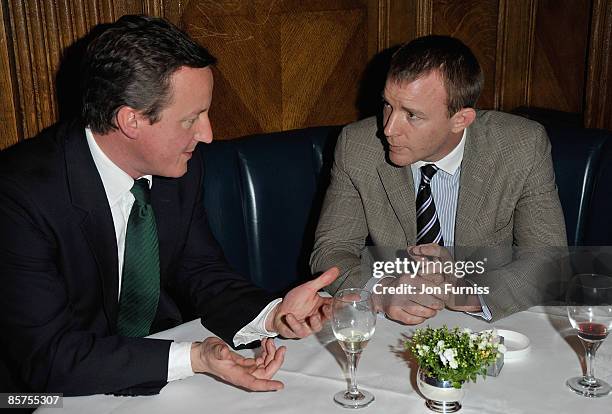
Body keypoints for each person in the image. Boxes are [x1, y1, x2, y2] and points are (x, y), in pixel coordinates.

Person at [0, 15, 339, 396]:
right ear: (131, 120)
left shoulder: (179, 169)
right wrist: (193, 358)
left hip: (144, 373)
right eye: (192, 119)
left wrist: (272, 316)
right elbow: (47, 358)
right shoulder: (18, 198)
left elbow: (201, 270)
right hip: (33, 396)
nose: (207, 135)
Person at [310, 35, 567, 325]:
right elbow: (331, 250)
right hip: (389, 321)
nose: (389, 128)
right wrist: (381, 292)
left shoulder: (521, 146)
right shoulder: (358, 146)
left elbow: (548, 262)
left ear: (461, 120)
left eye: (412, 115)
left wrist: (467, 292)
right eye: (387, 105)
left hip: (492, 321)